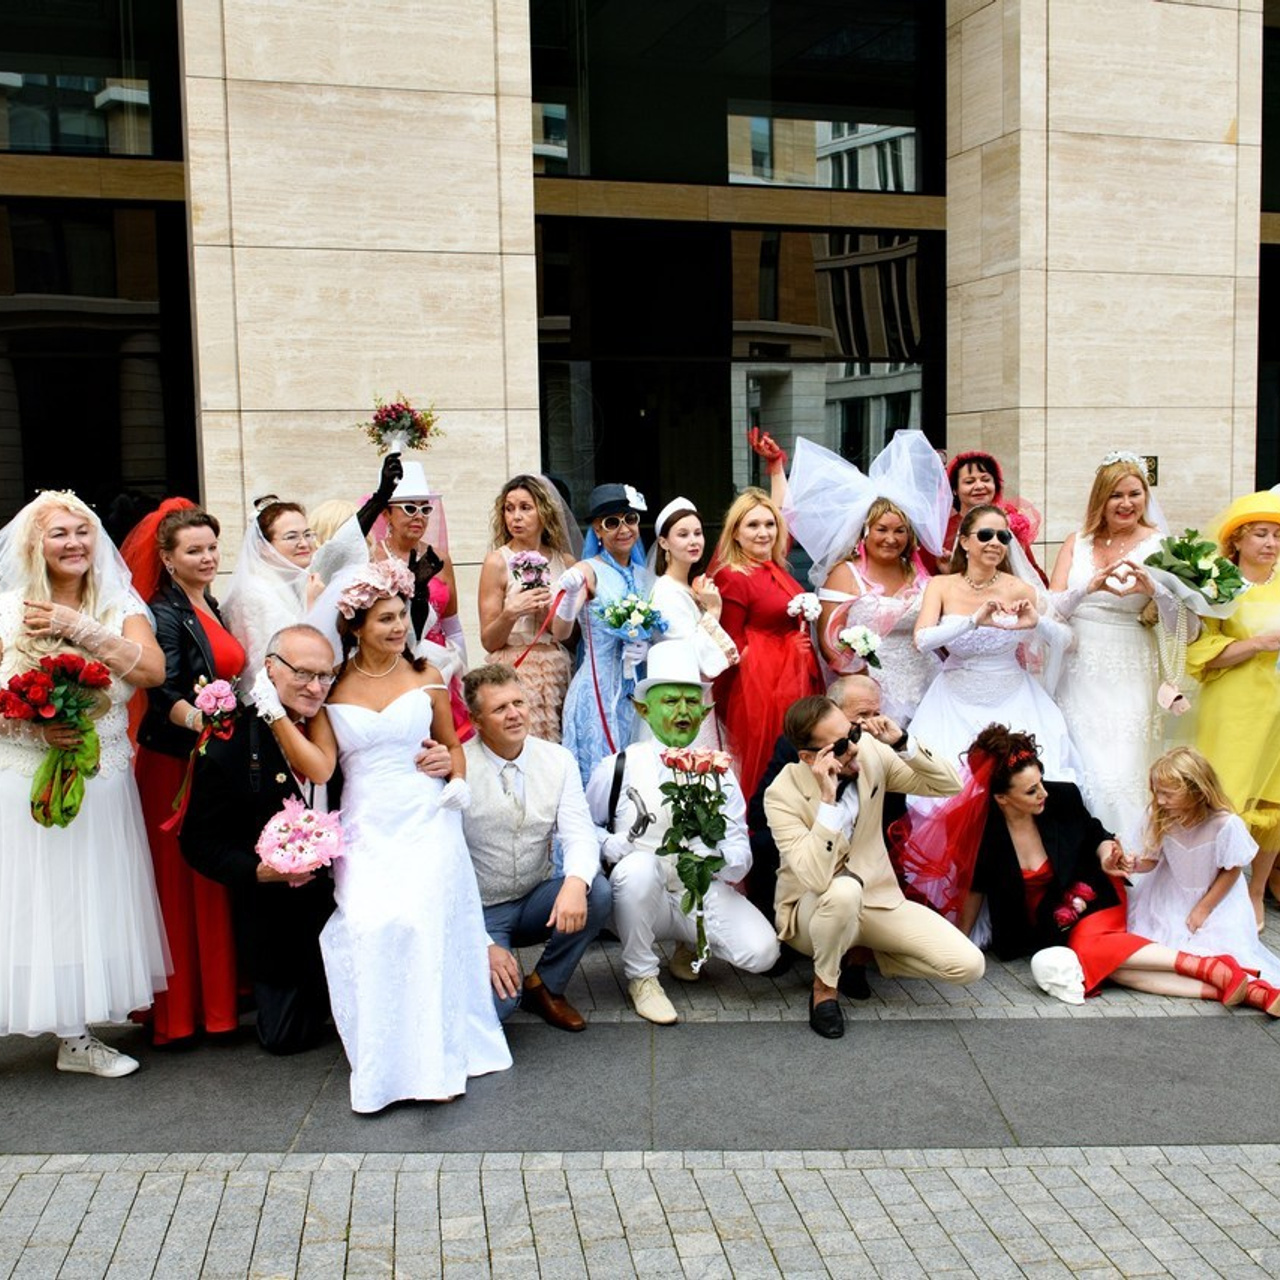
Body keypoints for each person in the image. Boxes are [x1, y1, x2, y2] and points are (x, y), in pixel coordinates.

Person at [258, 559, 510, 1111]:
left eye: (401, 616)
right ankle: (386, 1063)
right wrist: (275, 714)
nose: (399, 628)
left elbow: (454, 745)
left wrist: (456, 777)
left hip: (426, 818)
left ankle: (435, 1062)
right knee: (372, 927)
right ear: (354, 627)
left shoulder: (428, 676)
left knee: (422, 925)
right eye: (384, 620)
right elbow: (322, 769)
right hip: (367, 826)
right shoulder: (334, 688)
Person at [906, 728, 1280, 1013]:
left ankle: (1211, 970)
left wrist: (1107, 857)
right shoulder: (986, 829)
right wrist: (958, 942)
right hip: (1040, 926)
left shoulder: (1063, 797)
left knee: (1090, 948)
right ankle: (1229, 983)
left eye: (1040, 782)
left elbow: (1096, 834)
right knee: (1109, 968)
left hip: (1090, 899)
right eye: (1031, 791)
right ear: (1002, 798)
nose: (1043, 794)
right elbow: (977, 887)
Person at [0, 491, 168, 1078]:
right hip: (25, 777)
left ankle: (76, 1035)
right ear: (34, 545)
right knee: (27, 901)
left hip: (102, 776)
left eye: (83, 532)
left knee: (85, 901)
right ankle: (48, 1025)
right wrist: (32, 727)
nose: (74, 543)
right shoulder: (7, 608)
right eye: (59, 534)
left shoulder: (117, 601)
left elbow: (151, 671)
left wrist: (80, 628)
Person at [179, 624, 355, 1054]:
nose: (315, 687)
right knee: (286, 1038)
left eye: (325, 676)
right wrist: (257, 871)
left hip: (349, 895)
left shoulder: (341, 724)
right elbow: (198, 841)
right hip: (279, 917)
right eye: (303, 674)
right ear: (271, 669)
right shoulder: (231, 741)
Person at [763, 695, 982, 1039]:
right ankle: (824, 990)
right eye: (839, 746)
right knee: (843, 890)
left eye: (852, 733)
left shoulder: (869, 752)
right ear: (808, 757)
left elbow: (948, 785)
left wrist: (903, 743)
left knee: (969, 966)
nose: (852, 748)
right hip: (812, 910)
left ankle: (866, 951)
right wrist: (827, 801)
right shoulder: (781, 794)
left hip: (877, 901)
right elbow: (817, 878)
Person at [585, 641, 780, 1025]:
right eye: (670, 701)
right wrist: (612, 844)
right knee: (638, 870)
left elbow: (739, 841)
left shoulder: (720, 772)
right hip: (639, 898)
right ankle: (642, 977)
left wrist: (720, 859)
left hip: (698, 892)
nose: (682, 712)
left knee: (763, 953)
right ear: (644, 709)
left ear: (705, 710)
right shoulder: (618, 767)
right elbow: (585, 829)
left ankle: (686, 945)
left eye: (692, 702)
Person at [122, 500, 245, 1047]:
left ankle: (219, 1002)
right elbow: (162, 689)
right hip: (174, 762)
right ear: (167, 559)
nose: (207, 557)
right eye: (193, 550)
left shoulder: (210, 601)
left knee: (211, 877)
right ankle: (180, 1014)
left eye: (212, 547)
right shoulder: (161, 612)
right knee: (181, 880)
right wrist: (204, 721)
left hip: (211, 756)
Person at [461, 663, 612, 1031]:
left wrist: (576, 883)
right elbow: (441, 865)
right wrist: (482, 944)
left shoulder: (557, 759)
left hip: (533, 901)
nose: (515, 714)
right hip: (476, 911)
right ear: (477, 720)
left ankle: (545, 985)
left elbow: (579, 833)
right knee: (498, 1010)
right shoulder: (458, 765)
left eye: (519, 703)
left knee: (598, 892)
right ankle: (496, 974)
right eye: (500, 709)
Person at [784, 431, 950, 724]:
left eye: (900, 531)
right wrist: (863, 685)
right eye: (882, 530)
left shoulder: (918, 573)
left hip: (928, 682)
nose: (891, 538)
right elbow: (830, 643)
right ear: (865, 532)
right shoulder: (844, 574)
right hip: (870, 689)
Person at [910, 504, 1081, 784]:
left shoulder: (1020, 588)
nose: (995, 543)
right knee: (948, 781)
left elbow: (1068, 641)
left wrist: (1037, 622)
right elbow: (922, 641)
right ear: (964, 541)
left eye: (1003, 537)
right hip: (952, 701)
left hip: (1014, 699)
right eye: (986, 535)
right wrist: (973, 620)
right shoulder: (940, 585)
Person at [1049, 453, 1172, 831]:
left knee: (1123, 763)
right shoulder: (1077, 542)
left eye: (1135, 494)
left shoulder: (1161, 545)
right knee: (1079, 760)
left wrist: (1155, 590)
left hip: (1131, 661)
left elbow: (1184, 619)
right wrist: (1087, 587)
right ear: (1100, 499)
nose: (1126, 504)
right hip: (1078, 663)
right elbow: (1050, 607)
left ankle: (1130, 852)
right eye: (1116, 495)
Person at [1123, 748, 1280, 1011]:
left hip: (1215, 898)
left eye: (1168, 794)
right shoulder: (1159, 815)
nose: (1160, 800)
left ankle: (1249, 985)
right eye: (1157, 792)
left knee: (1217, 948)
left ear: (1196, 790)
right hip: (1170, 894)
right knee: (1158, 950)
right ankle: (1223, 983)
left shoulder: (1224, 824)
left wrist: (1204, 908)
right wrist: (1134, 864)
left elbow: (1232, 869)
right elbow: (1152, 859)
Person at [1186, 491, 1280, 931]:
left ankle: (1256, 891)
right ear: (1237, 541)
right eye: (1260, 533)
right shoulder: (1222, 589)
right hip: (1234, 706)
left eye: (1277, 535)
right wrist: (1257, 643)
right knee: (1227, 796)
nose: (1270, 542)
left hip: (1277, 706)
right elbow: (1201, 655)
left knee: (1274, 799)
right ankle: (1217, 891)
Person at [223, 452, 401, 681]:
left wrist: (382, 495)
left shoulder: (302, 575)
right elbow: (285, 657)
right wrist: (311, 603)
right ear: (264, 546)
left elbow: (339, 547)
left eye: (307, 534)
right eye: (291, 537)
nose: (304, 543)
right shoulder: (253, 592)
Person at [710, 486, 824, 816]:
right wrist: (787, 648)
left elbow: (786, 511)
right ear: (735, 532)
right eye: (753, 525)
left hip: (794, 682)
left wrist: (777, 467)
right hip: (761, 693)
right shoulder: (734, 575)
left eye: (769, 524)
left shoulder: (773, 567)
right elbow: (732, 646)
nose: (764, 533)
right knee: (770, 770)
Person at [746, 673, 892, 928]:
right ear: (832, 712)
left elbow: (893, 815)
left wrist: (902, 743)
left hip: (864, 852)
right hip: (810, 848)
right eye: (861, 715)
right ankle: (779, 930)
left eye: (875, 713)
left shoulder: (880, 745)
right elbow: (759, 815)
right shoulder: (795, 748)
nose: (871, 724)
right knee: (762, 844)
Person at [554, 483, 656, 784]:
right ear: (597, 531)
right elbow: (560, 631)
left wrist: (646, 647)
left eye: (630, 519)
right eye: (611, 523)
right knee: (600, 775)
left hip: (636, 689)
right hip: (596, 690)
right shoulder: (588, 569)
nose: (623, 529)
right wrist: (571, 597)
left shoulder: (644, 575)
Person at [370, 460, 471, 739]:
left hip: (440, 665)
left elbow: (453, 624)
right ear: (387, 514)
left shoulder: (440, 558)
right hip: (393, 663)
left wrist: (462, 668)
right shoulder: (371, 558)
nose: (419, 516)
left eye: (425, 509)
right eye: (409, 508)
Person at [477, 475, 577, 742]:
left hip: (556, 669)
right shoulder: (497, 561)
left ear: (543, 512)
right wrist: (511, 612)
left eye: (525, 508)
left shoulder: (564, 561)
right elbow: (488, 640)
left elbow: (570, 635)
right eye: (509, 509)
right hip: (515, 667)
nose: (516, 517)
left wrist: (546, 613)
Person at [647, 496, 738, 748]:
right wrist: (714, 610)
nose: (694, 541)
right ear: (664, 542)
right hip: (681, 696)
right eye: (683, 534)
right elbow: (692, 654)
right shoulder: (667, 591)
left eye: (697, 533)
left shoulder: (687, 585)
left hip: (698, 694)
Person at [942, 450, 1047, 583]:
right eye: (969, 482)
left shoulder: (1007, 524)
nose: (979, 486)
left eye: (986, 480)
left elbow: (1035, 577)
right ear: (955, 490)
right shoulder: (943, 531)